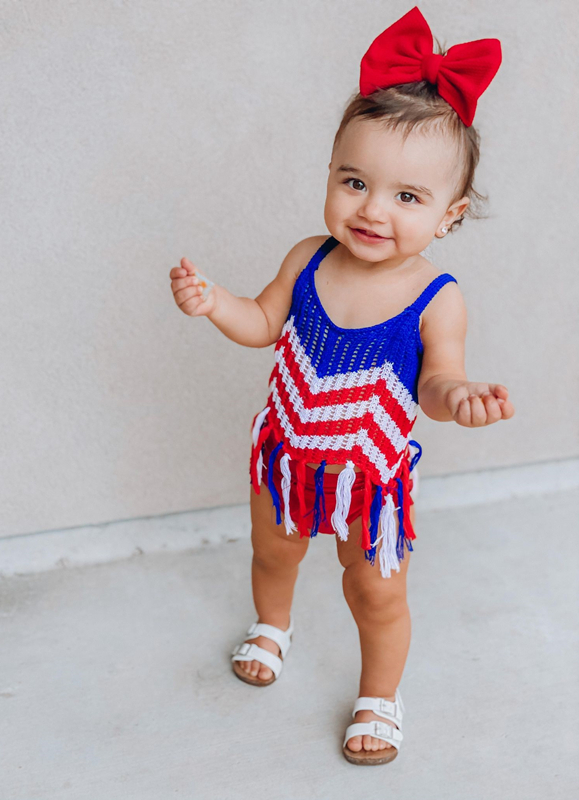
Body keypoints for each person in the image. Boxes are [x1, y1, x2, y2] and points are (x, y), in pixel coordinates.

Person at [170, 5, 515, 766]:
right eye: (354, 181)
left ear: (450, 216)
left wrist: (458, 399)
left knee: (375, 592)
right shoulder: (308, 258)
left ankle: (380, 694)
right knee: (272, 553)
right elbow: (262, 323)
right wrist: (212, 302)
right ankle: (272, 623)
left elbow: (436, 380)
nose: (371, 210)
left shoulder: (437, 297)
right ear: (329, 173)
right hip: (287, 459)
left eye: (407, 197)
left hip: (370, 484)